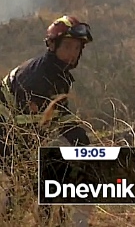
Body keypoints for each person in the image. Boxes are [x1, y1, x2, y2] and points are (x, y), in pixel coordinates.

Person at [0, 15, 93, 224]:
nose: (72, 54)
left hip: (15, 133)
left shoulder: (57, 74)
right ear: (52, 45)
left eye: (77, 48)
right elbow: (27, 135)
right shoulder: (38, 78)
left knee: (31, 188)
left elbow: (58, 112)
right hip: (6, 134)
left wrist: (79, 138)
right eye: (67, 46)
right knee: (34, 185)